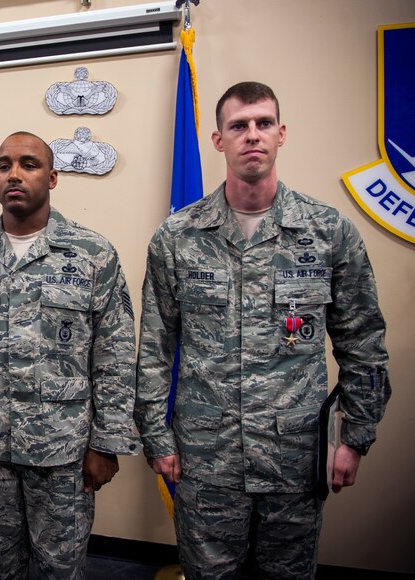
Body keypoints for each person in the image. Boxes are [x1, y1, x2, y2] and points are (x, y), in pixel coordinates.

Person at [135, 81, 392, 580]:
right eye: (239, 126)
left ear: (281, 133)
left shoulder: (327, 232)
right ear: (218, 140)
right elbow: (153, 349)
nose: (252, 135)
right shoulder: (178, 237)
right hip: (206, 461)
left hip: (294, 459)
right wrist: (156, 438)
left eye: (263, 123)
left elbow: (363, 344)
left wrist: (355, 438)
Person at [0, 132, 140, 579]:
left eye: (29, 164)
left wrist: (107, 442)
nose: (15, 175)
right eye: (4, 165)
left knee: (61, 569)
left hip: (63, 451)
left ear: (53, 177)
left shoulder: (91, 254)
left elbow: (115, 355)